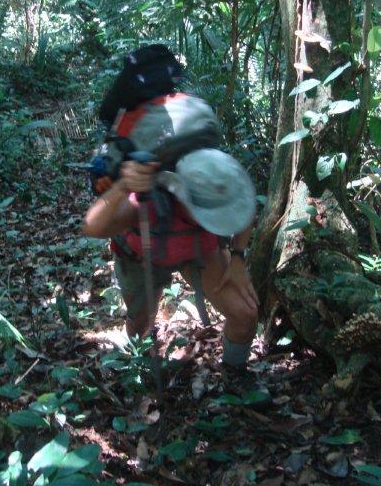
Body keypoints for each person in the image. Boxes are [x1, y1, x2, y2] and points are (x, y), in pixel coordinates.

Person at [82, 146, 263, 384]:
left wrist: (238, 258)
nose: (218, 221)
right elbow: (92, 226)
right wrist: (125, 185)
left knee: (244, 314)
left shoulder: (217, 176)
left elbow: (244, 205)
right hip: (140, 254)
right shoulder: (144, 202)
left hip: (197, 248)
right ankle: (139, 361)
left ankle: (235, 374)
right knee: (140, 325)